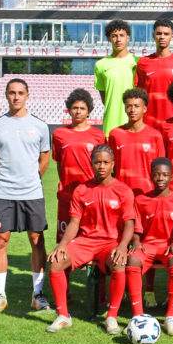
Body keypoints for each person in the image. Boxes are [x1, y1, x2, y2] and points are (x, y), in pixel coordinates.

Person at [45, 144, 136, 334]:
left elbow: (129, 224)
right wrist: (62, 245)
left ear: (113, 164)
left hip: (110, 243)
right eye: (97, 162)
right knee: (56, 262)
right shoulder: (81, 190)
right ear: (91, 164)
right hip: (85, 242)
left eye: (105, 162)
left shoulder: (123, 191)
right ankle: (63, 316)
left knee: (119, 263)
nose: (101, 166)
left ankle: (111, 316)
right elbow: (74, 223)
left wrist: (121, 247)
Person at [0, 78, 51, 313]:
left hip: (32, 192)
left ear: (27, 95)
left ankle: (38, 293)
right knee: (0, 241)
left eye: (20, 93)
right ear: (6, 95)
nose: (16, 97)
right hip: (3, 192)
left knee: (37, 240)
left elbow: (44, 159)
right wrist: (5, 178)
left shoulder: (40, 126)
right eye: (12, 92)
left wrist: (31, 179)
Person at [125, 158, 173, 336]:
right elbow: (136, 227)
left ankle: (171, 317)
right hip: (148, 246)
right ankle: (137, 316)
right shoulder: (141, 200)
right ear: (150, 176)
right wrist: (136, 240)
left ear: (172, 177)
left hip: (169, 247)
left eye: (165, 174)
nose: (160, 178)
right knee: (133, 260)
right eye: (157, 174)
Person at [51, 89, 105, 243]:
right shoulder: (59, 134)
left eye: (82, 108)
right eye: (75, 108)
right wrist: (63, 183)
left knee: (90, 236)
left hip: (90, 192)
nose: (78, 112)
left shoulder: (98, 136)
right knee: (65, 239)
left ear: (89, 111)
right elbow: (59, 162)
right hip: (67, 193)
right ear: (69, 110)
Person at [108, 88, 165, 196]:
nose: (132, 110)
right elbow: (110, 169)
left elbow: (160, 169)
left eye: (136, 106)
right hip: (121, 194)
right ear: (125, 108)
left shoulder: (155, 136)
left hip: (147, 194)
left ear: (144, 109)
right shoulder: (115, 135)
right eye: (129, 106)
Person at [136, 18, 173, 130]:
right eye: (159, 33)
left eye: (166, 34)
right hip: (149, 122)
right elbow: (140, 94)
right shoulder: (143, 63)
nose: (162, 37)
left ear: (172, 37)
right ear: (153, 35)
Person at [95, 19, 138, 137]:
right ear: (109, 39)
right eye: (114, 36)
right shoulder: (101, 64)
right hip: (110, 123)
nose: (118, 39)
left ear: (128, 38)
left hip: (133, 123)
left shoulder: (138, 63)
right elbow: (104, 98)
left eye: (122, 35)